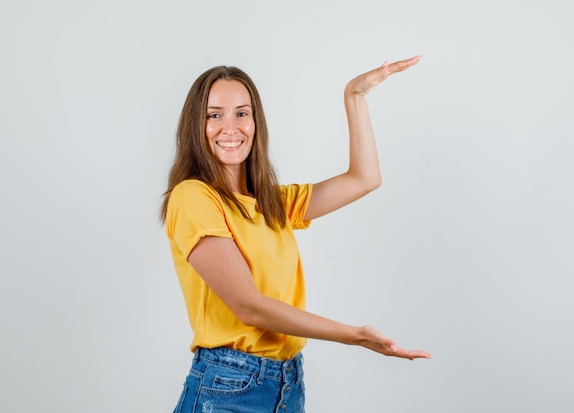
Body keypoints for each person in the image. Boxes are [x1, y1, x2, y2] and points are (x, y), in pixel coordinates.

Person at [161, 55, 431, 413]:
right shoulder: (193, 197)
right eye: (214, 115)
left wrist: (354, 97)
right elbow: (249, 306)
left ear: (256, 122)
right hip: (227, 386)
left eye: (242, 113)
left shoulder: (272, 202)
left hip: (287, 384)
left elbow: (365, 178)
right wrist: (354, 335)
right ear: (195, 125)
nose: (230, 127)